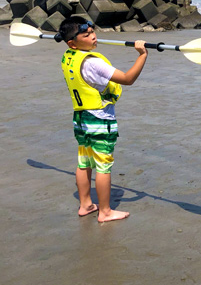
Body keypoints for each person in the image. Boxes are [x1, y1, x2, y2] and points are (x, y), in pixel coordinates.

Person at [55, 16, 148, 223]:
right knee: (103, 167)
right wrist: (142, 55)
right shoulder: (93, 63)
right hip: (99, 119)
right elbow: (127, 79)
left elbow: (74, 47)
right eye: (86, 35)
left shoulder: (68, 56)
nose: (93, 36)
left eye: (92, 32)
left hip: (80, 118)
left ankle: (86, 204)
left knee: (84, 162)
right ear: (72, 42)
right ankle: (105, 212)